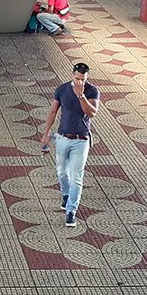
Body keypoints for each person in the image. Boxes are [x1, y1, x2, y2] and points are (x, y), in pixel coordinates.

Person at [39, 61, 100, 227]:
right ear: (72, 75)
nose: (81, 82)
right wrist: (46, 135)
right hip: (62, 138)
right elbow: (53, 111)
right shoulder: (62, 89)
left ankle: (71, 211)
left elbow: (92, 113)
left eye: (84, 79)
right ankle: (66, 194)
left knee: (76, 178)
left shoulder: (92, 91)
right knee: (61, 172)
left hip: (81, 140)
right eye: (78, 78)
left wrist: (81, 95)